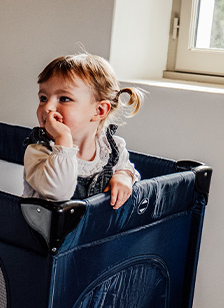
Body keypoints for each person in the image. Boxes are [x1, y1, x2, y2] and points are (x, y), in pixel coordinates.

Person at [23, 53, 145, 209]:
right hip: (43, 224)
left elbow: (127, 168)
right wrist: (63, 138)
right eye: (43, 98)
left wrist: (123, 177)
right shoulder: (39, 151)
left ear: (99, 111)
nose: (48, 107)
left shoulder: (111, 149)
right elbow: (57, 192)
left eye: (64, 99)